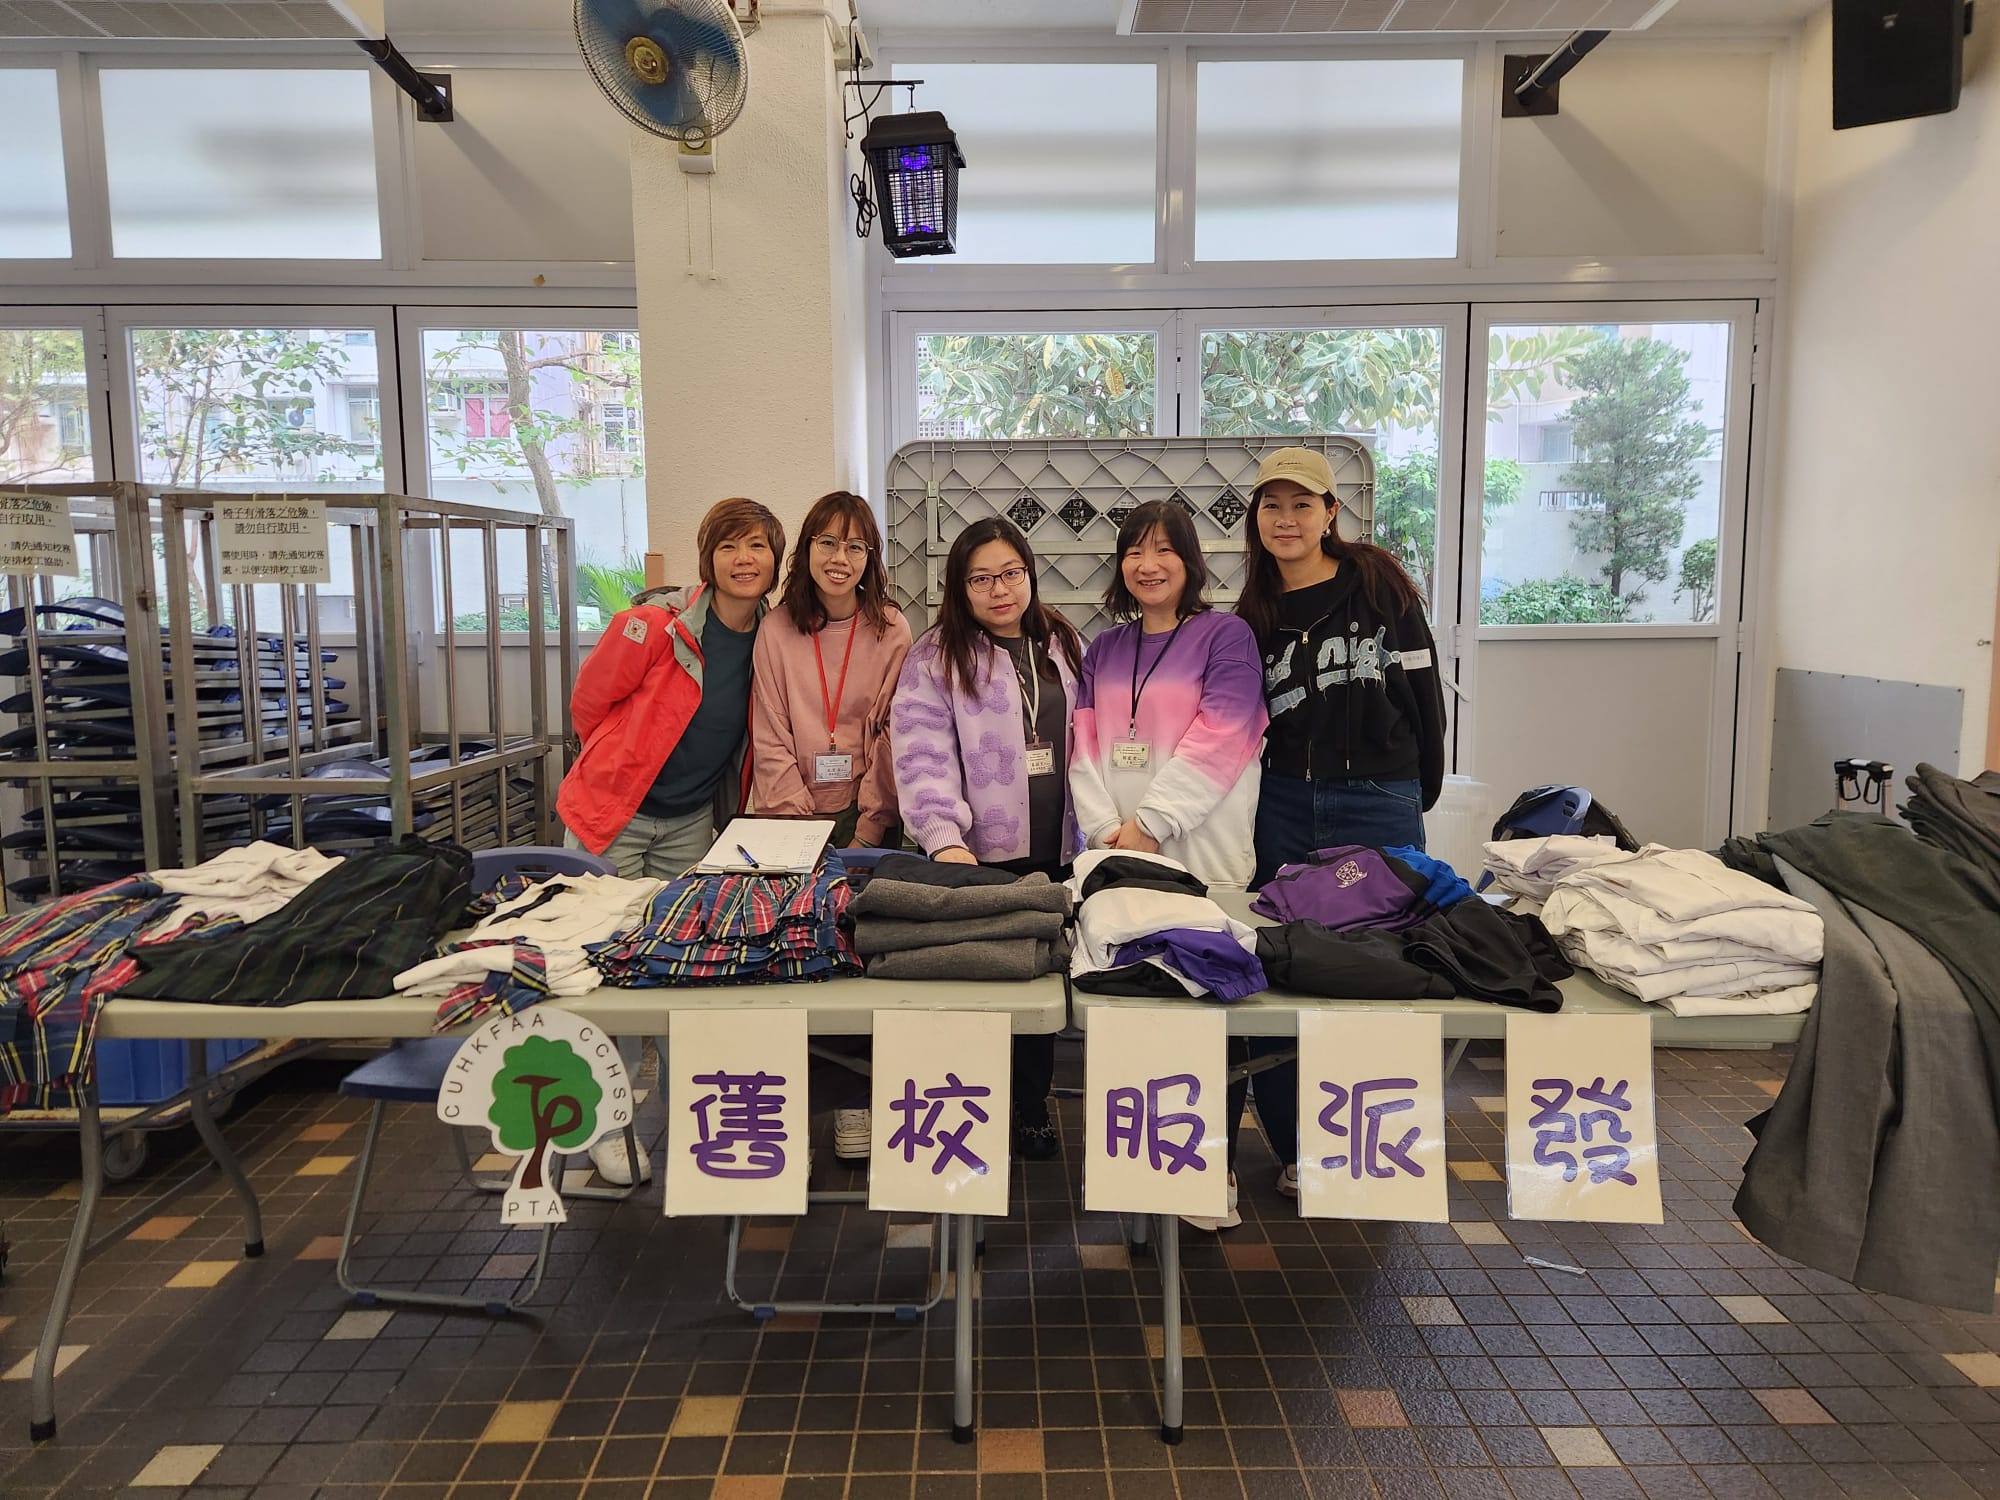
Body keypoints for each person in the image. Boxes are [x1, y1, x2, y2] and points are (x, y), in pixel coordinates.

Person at [1232, 446, 1447, 1202]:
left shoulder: (1380, 588)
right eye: (1271, 505)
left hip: (1378, 797)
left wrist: (1418, 791)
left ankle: (1371, 1143)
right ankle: (1295, 1146)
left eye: (1302, 504)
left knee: (1383, 966)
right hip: (1286, 801)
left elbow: (1424, 693)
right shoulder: (1253, 613)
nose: (1285, 519)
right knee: (1284, 964)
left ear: (1330, 512)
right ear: (1256, 518)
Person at [557, 495, 785, 1183]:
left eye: (757, 546)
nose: (744, 559)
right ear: (708, 558)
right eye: (729, 546)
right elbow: (589, 704)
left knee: (678, 965)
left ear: (776, 559)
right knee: (601, 969)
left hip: (690, 824)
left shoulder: (772, 638)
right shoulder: (655, 625)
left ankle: (692, 1116)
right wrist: (620, 767)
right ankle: (604, 1125)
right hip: (614, 818)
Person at [1070, 498, 1270, 1229]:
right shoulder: (1104, 648)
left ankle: (1212, 1167)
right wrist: (1106, 833)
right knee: (1134, 1003)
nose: (1147, 565)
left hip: (1199, 852)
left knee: (1209, 1005)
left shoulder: (1226, 636)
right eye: (1134, 550)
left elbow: (1225, 736)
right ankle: (1146, 1158)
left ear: (1190, 562)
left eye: (1164, 550)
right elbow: (1084, 746)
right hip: (1118, 859)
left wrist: (1149, 826)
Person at [888, 516, 1083, 1159]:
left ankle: (1030, 1104)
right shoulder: (936, 655)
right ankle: (964, 1108)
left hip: (1059, 851)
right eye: (981, 579)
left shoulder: (1062, 641)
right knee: (975, 989)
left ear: (1029, 573)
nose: (1000, 590)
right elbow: (920, 751)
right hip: (975, 859)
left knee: (1036, 980)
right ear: (959, 586)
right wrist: (943, 837)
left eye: (1010, 573)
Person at [752, 490, 911, 1161]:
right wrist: (800, 826)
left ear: (870, 556)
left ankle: (857, 1099)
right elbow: (769, 733)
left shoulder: (891, 629)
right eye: (826, 543)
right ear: (807, 550)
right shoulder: (776, 629)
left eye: (854, 545)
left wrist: (868, 828)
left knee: (861, 958)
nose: (839, 557)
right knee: (792, 957)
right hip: (790, 815)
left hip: (868, 814)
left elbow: (895, 734)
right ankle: (784, 1104)